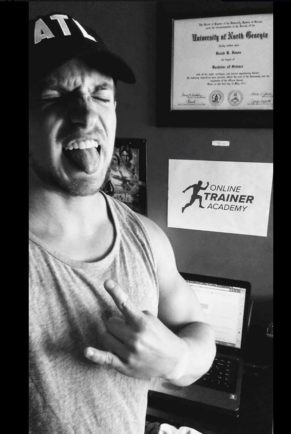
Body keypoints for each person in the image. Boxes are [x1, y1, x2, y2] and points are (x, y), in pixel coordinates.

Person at [29, 12, 216, 433]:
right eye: (53, 96)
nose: (85, 116)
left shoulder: (144, 236)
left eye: (101, 94)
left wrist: (178, 359)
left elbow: (197, 328)